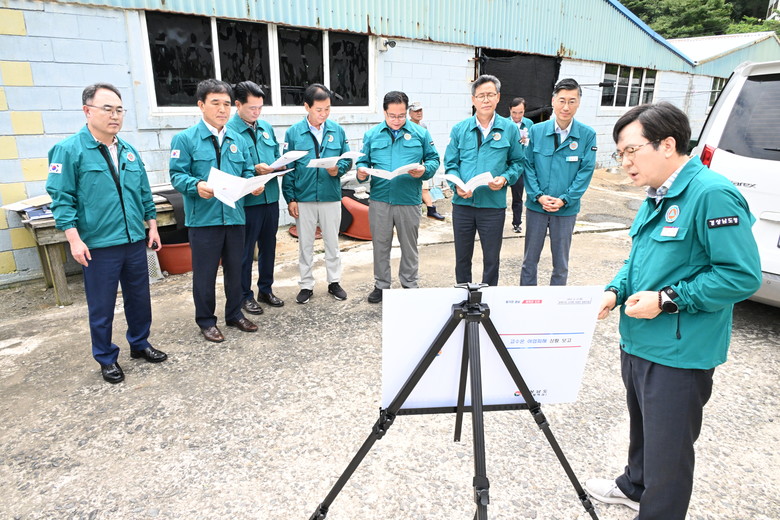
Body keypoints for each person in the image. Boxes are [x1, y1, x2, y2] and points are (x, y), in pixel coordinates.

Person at [585, 102, 762, 520]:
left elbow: (740, 276)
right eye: (620, 153)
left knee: (670, 451)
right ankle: (635, 487)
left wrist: (667, 299)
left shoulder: (710, 194)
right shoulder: (657, 194)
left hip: (680, 352)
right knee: (645, 429)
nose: (624, 162)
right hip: (640, 340)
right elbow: (640, 260)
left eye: (632, 150)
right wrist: (615, 291)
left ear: (667, 145)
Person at [46, 83, 167, 384]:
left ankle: (140, 343)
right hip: (98, 244)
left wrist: (152, 226)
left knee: (139, 298)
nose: (115, 116)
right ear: (87, 111)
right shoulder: (69, 150)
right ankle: (106, 357)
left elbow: (143, 193)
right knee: (102, 306)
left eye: (119, 110)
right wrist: (74, 239)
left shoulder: (128, 151)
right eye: (107, 109)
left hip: (133, 240)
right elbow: (61, 199)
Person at [169, 79, 261, 343]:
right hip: (204, 220)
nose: (222, 109)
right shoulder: (185, 139)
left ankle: (234, 314)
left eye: (227, 104)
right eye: (215, 103)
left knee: (236, 269)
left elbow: (246, 170)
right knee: (205, 274)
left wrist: (252, 185)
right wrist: (196, 185)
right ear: (201, 105)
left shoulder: (237, 139)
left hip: (234, 216)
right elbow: (177, 175)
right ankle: (206, 321)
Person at [356, 91, 441, 303]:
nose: (397, 120)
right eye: (392, 116)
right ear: (384, 112)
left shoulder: (420, 133)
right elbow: (362, 161)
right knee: (380, 245)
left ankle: (409, 284)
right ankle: (381, 285)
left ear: (407, 112)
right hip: (380, 199)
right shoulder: (372, 135)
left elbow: (434, 159)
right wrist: (361, 172)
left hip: (408, 199)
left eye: (401, 115)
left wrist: (424, 170)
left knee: (409, 246)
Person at [443, 74, 523, 286]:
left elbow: (518, 162)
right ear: (473, 99)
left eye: (490, 95)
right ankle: (463, 295)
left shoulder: (510, 129)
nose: (485, 100)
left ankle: (489, 297)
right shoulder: (460, 129)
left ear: (498, 97)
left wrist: (505, 178)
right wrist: (456, 186)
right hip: (463, 205)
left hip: (492, 205)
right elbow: (450, 163)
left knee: (491, 260)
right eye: (481, 96)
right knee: (462, 259)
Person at [520, 78, 596, 286]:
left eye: (572, 101)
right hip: (537, 206)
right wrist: (538, 196)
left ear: (578, 103)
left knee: (561, 264)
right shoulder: (536, 131)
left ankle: (556, 302)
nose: (566, 107)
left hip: (565, 210)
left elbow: (585, 171)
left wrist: (565, 199)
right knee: (529, 261)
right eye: (562, 100)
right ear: (553, 101)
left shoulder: (587, 135)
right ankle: (526, 300)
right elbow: (528, 165)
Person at [282, 83, 353, 304]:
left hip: (330, 196)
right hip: (303, 198)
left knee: (332, 242)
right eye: (319, 109)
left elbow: (347, 159)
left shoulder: (337, 131)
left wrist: (338, 169)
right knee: (305, 245)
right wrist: (291, 198)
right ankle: (306, 285)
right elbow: (288, 168)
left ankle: (334, 282)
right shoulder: (293, 133)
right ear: (307, 107)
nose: (324, 114)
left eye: (328, 109)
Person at [226, 81, 285, 315]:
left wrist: (279, 166)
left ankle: (265, 290)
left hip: (270, 197)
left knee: (269, 247)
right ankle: (244, 296)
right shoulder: (229, 132)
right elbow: (229, 168)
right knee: (245, 252)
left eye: (260, 108)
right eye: (252, 108)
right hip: (248, 202)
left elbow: (276, 155)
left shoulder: (265, 128)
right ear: (237, 104)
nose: (257, 113)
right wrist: (253, 169)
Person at [408, 101, 444, 221]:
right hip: (412, 163)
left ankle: (430, 210)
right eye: (416, 111)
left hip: (423, 163)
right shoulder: (407, 126)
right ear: (410, 113)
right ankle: (428, 209)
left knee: (424, 187)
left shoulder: (423, 126)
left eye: (420, 111)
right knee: (422, 188)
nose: (419, 113)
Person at [508, 97, 534, 233]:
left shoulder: (529, 124)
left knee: (518, 196)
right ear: (509, 110)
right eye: (514, 112)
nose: (517, 116)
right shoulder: (504, 123)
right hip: (506, 164)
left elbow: (533, 143)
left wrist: (526, 141)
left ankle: (517, 223)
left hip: (521, 164)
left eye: (520, 112)